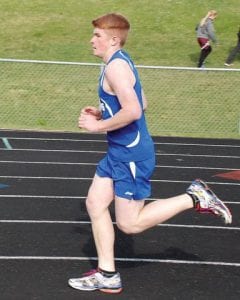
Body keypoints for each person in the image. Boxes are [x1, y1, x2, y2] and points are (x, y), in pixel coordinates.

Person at [68, 13, 232, 294]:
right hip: (118, 153)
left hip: (131, 155)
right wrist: (103, 111)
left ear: (114, 39)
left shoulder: (115, 69)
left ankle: (193, 196)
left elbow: (132, 111)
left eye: (97, 35)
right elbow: (141, 102)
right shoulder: (118, 61)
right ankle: (107, 275)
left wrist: (97, 126)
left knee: (130, 225)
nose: (91, 40)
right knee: (95, 203)